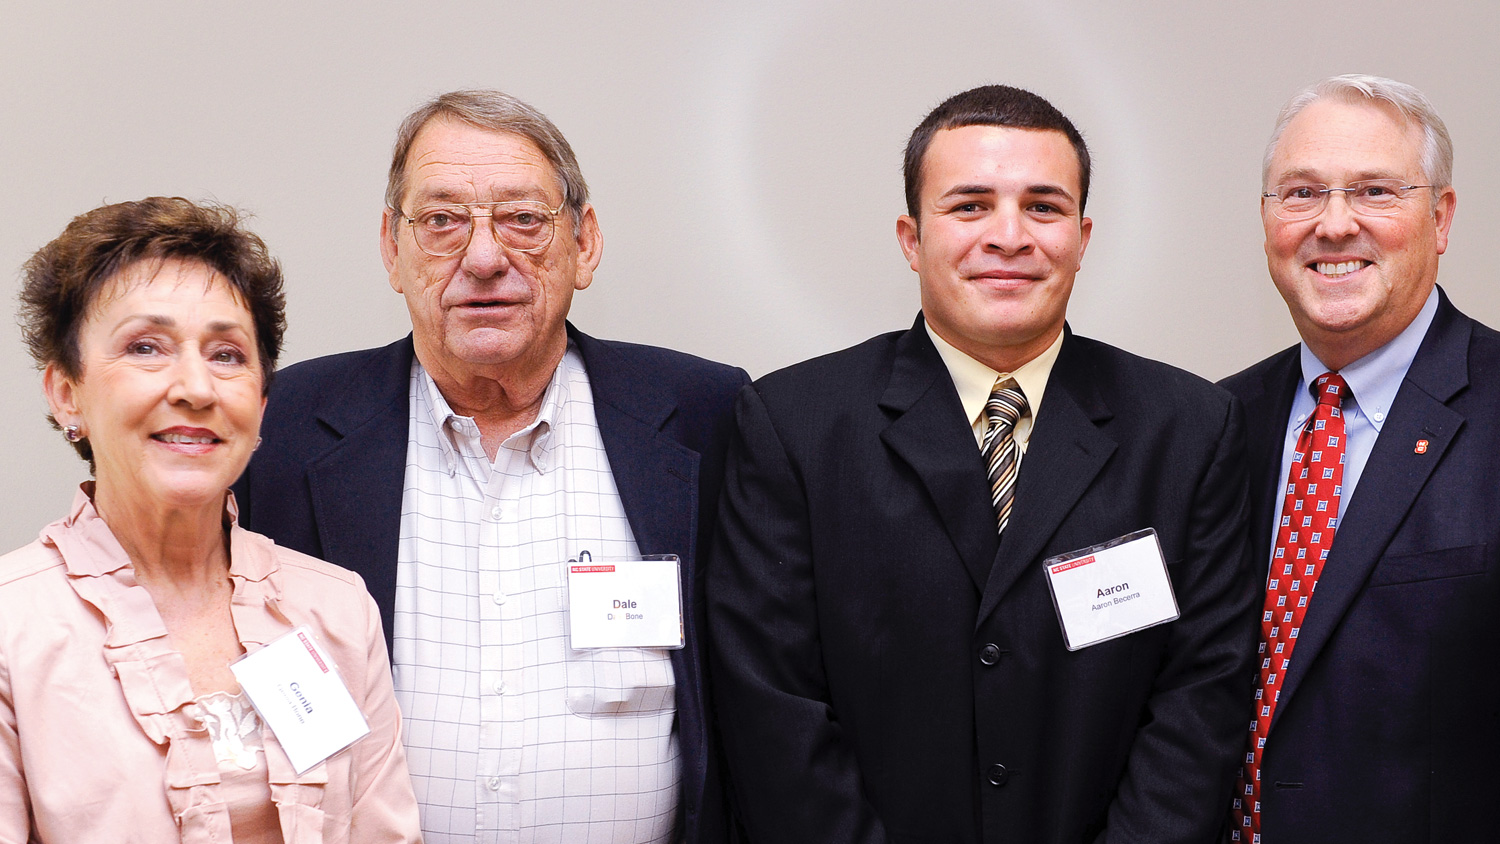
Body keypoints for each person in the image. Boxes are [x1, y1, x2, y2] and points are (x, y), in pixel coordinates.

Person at [707, 84, 1261, 843]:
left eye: (1043, 206)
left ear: (1083, 234)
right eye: (969, 206)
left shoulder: (1189, 427)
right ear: (911, 237)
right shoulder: (794, 425)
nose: (1009, 236)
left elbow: (1202, 697)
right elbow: (774, 711)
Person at [233, 90, 747, 843]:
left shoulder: (705, 416)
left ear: (586, 242)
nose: (482, 258)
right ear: (392, 250)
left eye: (523, 219)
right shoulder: (286, 426)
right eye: (442, 221)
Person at [0, 197, 421, 843]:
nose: (196, 387)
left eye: (227, 354)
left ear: (260, 399)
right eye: (147, 347)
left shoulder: (336, 610)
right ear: (66, 393)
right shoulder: (12, 628)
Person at [1220, 74, 1500, 842]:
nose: (1334, 224)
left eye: (1375, 191)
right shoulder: (1214, 422)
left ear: (1440, 218)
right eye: (1301, 194)